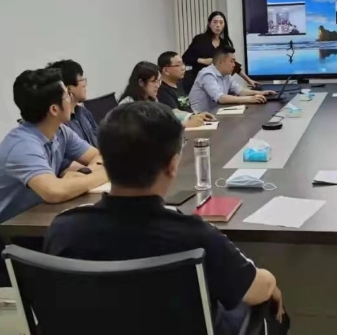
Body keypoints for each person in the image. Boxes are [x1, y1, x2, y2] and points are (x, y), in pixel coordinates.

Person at [44, 102, 287, 335]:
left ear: (105, 163)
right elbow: (256, 289)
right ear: (172, 166)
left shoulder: (63, 228)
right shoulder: (195, 236)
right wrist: (271, 283)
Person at [0, 68, 107, 274]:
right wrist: (103, 174)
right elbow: (54, 192)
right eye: (67, 96)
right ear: (54, 109)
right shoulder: (23, 146)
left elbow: (98, 156)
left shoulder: (59, 131)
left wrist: (78, 177)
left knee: (92, 237)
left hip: (30, 223)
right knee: (86, 245)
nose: (71, 99)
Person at [182, 11, 260, 92]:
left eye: (221, 22)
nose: (218, 25)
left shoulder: (224, 43)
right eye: (215, 22)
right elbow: (185, 58)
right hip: (200, 81)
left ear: (224, 25)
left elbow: (233, 64)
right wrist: (203, 60)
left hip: (217, 83)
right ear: (209, 24)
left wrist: (248, 80)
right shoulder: (200, 39)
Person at [120, 61, 208, 128]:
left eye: (159, 81)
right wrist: (184, 124)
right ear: (141, 83)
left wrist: (191, 116)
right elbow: (148, 129)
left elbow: (166, 115)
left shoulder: (151, 98)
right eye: (154, 81)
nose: (158, 85)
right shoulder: (128, 104)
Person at [189, 46, 274, 114]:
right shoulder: (207, 74)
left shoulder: (226, 74)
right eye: (232, 61)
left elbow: (240, 91)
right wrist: (250, 99)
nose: (234, 65)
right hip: (199, 118)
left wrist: (260, 93)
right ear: (220, 62)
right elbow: (220, 98)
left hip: (216, 113)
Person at [47, 60, 98, 148]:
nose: (84, 85)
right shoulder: (59, 124)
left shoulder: (84, 113)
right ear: (68, 88)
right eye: (81, 80)